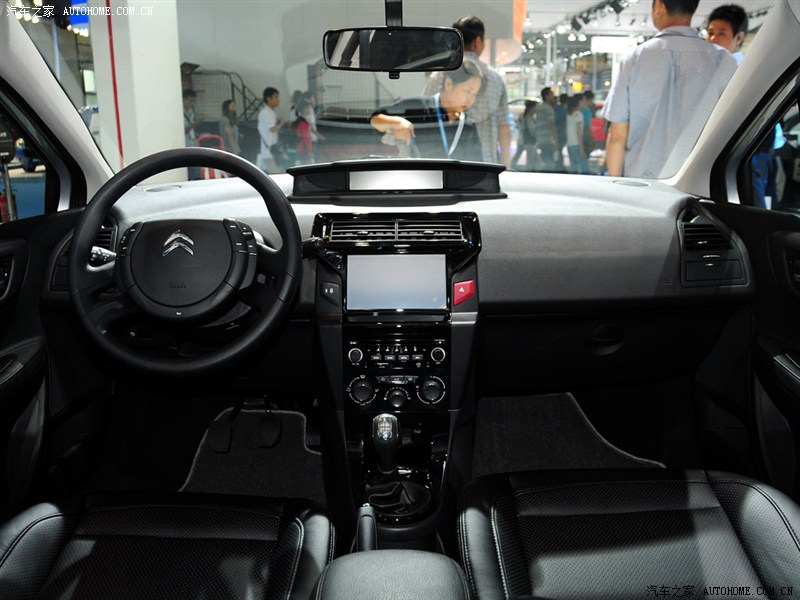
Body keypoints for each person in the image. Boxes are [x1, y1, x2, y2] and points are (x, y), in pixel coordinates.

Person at [602, 0, 737, 179]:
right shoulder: (723, 60)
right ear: (694, 8)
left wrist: (616, 182)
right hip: (698, 180)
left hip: (642, 180)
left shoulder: (634, 59)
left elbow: (617, 135)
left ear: (659, 6)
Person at [422, 16, 510, 165]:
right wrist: (505, 165)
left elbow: (423, 111)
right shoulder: (495, 79)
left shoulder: (440, 74)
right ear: (477, 42)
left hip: (440, 161)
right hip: (484, 165)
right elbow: (504, 127)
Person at [370, 58, 483, 161]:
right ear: (448, 84)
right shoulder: (418, 107)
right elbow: (374, 119)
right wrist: (396, 123)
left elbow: (476, 161)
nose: (471, 99)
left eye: (475, 94)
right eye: (468, 91)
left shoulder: (467, 124)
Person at [257, 87, 289, 173]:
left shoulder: (272, 113)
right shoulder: (265, 113)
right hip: (268, 151)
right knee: (275, 174)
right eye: (276, 97)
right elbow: (271, 129)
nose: (278, 100)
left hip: (274, 151)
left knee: (277, 173)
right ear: (268, 98)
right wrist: (281, 123)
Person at [534, 87, 559, 171]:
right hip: (548, 139)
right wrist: (555, 140)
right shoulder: (548, 108)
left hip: (540, 138)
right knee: (550, 162)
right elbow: (551, 125)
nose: (553, 96)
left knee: (545, 159)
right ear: (546, 96)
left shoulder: (539, 107)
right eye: (551, 94)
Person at [512, 100, 538, 171]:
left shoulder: (522, 116)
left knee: (518, 156)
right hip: (528, 142)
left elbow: (518, 127)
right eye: (535, 107)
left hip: (522, 140)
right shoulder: (528, 118)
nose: (536, 109)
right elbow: (532, 131)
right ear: (531, 108)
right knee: (530, 159)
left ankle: (511, 167)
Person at [566, 95, 589, 175]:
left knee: (573, 166)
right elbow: (579, 132)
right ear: (578, 103)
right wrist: (581, 148)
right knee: (584, 168)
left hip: (569, 144)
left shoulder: (568, 115)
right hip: (577, 144)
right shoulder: (578, 115)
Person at [182, 89, 202, 180]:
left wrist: (195, 133)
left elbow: (189, 128)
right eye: (190, 101)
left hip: (192, 144)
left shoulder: (190, 112)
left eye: (194, 101)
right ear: (184, 99)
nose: (192, 104)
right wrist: (196, 123)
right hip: (185, 146)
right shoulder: (179, 112)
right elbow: (184, 130)